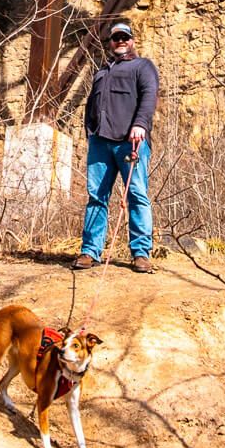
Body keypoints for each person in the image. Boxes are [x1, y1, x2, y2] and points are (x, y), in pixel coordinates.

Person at [73, 20, 159, 274]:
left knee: (137, 195)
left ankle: (141, 253)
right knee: (96, 196)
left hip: (130, 142)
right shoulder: (101, 72)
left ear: (132, 40)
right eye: (115, 38)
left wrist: (140, 124)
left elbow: (149, 95)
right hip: (100, 141)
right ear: (109, 43)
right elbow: (92, 105)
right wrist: (90, 131)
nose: (120, 42)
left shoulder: (143, 67)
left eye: (125, 37)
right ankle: (90, 252)